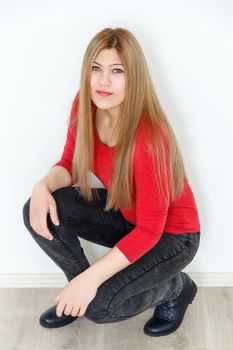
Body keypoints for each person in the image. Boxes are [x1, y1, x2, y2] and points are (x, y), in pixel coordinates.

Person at [22, 27, 201, 337]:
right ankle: (76, 297)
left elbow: (150, 231)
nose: (103, 81)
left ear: (134, 78)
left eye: (117, 71)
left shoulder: (149, 138)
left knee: (103, 308)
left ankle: (175, 288)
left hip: (172, 237)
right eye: (96, 68)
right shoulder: (85, 104)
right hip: (128, 215)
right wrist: (42, 187)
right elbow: (69, 165)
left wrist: (91, 279)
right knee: (38, 209)